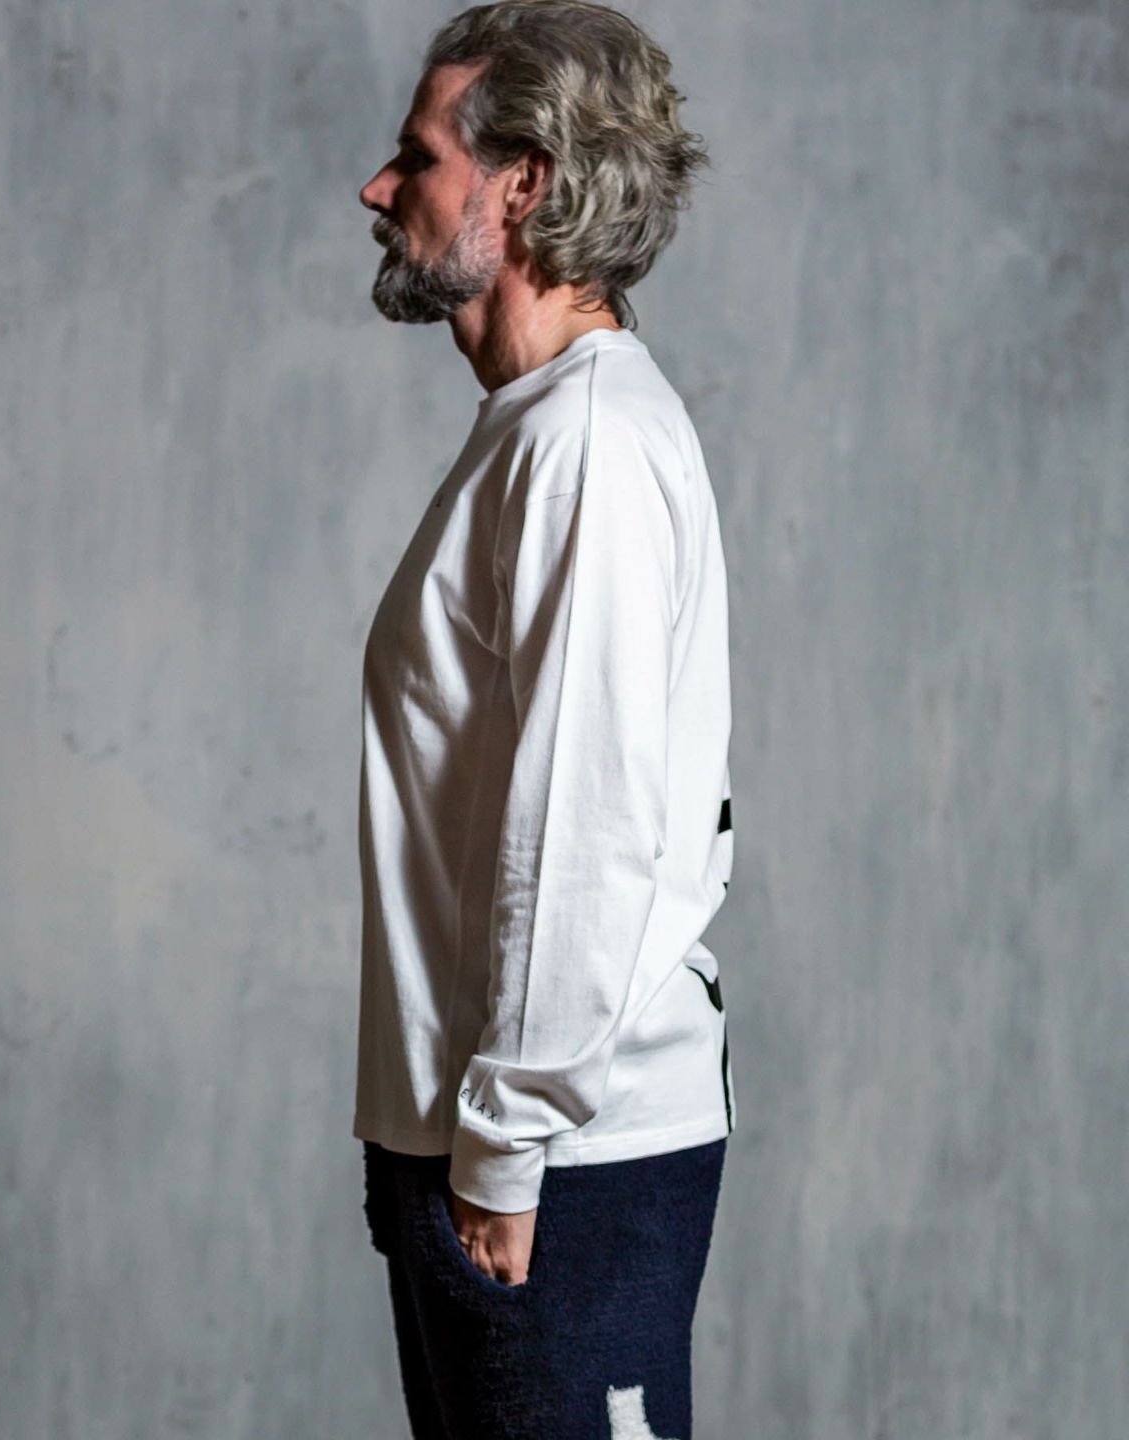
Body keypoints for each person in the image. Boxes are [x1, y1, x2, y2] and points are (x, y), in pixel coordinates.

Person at [352, 4, 737, 1436]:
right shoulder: (536, 427)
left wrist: (504, 1150)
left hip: (558, 1162)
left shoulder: (587, 441)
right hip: (480, 1146)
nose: (378, 190)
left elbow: (587, 830)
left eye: (417, 158)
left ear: (520, 184)